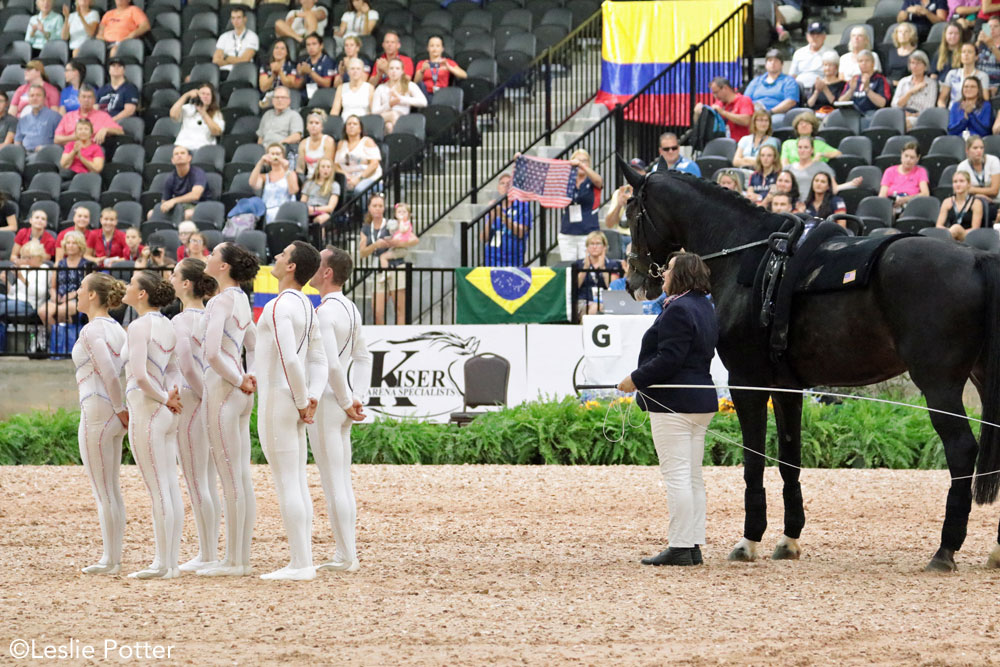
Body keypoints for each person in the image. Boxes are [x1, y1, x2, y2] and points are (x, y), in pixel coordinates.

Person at [617, 252, 719, 567]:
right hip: (699, 400)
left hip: (674, 401)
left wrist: (635, 379)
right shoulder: (704, 305)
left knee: (677, 476)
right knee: (691, 477)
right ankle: (692, 544)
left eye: (669, 269)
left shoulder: (679, 309)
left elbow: (669, 359)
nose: (663, 273)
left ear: (683, 275)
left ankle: (680, 546)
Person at [256, 241, 326, 581]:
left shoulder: (278, 306)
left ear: (292, 267)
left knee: (288, 483)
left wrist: (302, 401)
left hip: (278, 402)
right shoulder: (309, 307)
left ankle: (300, 563)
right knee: (296, 480)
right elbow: (318, 359)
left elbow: (290, 357)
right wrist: (311, 394)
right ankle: (304, 559)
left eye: (282, 254)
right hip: (294, 400)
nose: (277, 257)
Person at [307, 246, 370, 572]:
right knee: (340, 480)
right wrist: (357, 396)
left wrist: (347, 401)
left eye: (317, 264)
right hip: (342, 401)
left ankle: (347, 555)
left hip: (330, 402)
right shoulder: (351, 308)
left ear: (327, 272)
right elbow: (364, 357)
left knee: (334, 482)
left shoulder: (324, 312)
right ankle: (346, 552)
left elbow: (330, 364)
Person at [197, 242, 258, 578]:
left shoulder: (222, 300)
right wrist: (251, 376)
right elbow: (253, 342)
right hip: (238, 389)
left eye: (213, 253)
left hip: (223, 388)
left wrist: (238, 378)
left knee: (230, 477)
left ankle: (234, 561)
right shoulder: (241, 299)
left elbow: (210, 353)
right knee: (241, 476)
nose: (207, 256)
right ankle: (240, 557)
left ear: (224, 266)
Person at [122, 270, 183, 579]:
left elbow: (140, 375)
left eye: (132, 284)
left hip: (148, 408)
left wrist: (162, 398)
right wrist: (172, 396)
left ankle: (163, 563)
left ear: (142, 294)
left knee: (158, 489)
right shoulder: (168, 325)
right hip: (165, 410)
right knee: (169, 486)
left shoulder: (138, 326)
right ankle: (169, 562)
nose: (127, 287)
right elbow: (174, 370)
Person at [167, 258, 221, 572]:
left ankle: (207, 552)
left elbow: (187, 366)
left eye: (175, 274)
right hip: (208, 396)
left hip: (193, 398)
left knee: (196, 479)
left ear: (187, 284)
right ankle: (209, 549)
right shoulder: (210, 316)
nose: (171, 279)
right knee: (208, 479)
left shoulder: (182, 321)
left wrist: (204, 396)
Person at [72, 272, 128, 575]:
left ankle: (110, 558)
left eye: (82, 289)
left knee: (103, 489)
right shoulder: (116, 328)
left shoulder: (93, 330)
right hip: (108, 411)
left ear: (93, 295)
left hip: (97, 411)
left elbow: (108, 372)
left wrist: (120, 408)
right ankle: (113, 555)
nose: (78, 293)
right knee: (111, 488)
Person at [359, 194, 413, 324]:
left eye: (380, 206)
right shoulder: (366, 228)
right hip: (379, 270)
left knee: (400, 310)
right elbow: (362, 253)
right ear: (369, 208)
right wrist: (375, 245)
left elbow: (404, 241)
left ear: (384, 208)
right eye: (374, 206)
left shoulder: (391, 224)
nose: (377, 209)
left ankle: (400, 339)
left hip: (396, 266)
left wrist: (390, 243)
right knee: (377, 311)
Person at [556, 149, 604, 262]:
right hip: (568, 232)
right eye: (577, 160)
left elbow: (599, 181)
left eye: (584, 161)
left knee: (585, 269)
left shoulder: (591, 180)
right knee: (568, 269)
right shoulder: (567, 180)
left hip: (587, 232)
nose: (580, 163)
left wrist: (582, 166)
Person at [481, 172, 533, 266]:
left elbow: (521, 232)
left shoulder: (522, 206)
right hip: (492, 259)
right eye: (502, 183)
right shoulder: (495, 206)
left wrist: (502, 216)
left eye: (509, 184)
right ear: (498, 188)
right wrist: (492, 216)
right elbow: (484, 238)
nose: (505, 186)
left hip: (512, 260)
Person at [43, 229, 93, 326]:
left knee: (62, 311)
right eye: (68, 243)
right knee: (43, 311)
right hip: (59, 298)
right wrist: (54, 295)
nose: (70, 245)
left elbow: (88, 288)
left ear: (80, 245)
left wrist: (73, 295)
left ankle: (66, 338)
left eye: (74, 243)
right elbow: (53, 287)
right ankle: (55, 336)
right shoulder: (59, 264)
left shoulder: (86, 265)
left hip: (77, 298)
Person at [155, 145, 213, 222]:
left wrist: (174, 201)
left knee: (187, 215)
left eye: (182, 153)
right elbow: (165, 200)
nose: (179, 155)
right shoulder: (170, 178)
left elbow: (195, 195)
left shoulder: (198, 173)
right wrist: (166, 205)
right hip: (181, 207)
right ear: (172, 160)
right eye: (176, 154)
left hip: (200, 206)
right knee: (151, 213)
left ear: (189, 158)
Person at [54, 84, 123, 146]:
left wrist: (106, 129)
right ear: (78, 99)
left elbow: (120, 131)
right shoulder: (68, 117)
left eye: (89, 97)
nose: (86, 100)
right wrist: (74, 137)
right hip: (71, 151)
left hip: (93, 153)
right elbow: (56, 139)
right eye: (83, 97)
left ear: (94, 100)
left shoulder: (103, 116)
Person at [574, 230, 622, 317]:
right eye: (591, 244)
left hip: (605, 302)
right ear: (587, 247)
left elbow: (614, 288)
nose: (594, 247)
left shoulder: (612, 264)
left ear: (604, 247)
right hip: (583, 301)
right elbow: (574, 287)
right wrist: (585, 268)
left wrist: (603, 268)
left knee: (598, 307)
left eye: (598, 243)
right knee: (593, 308)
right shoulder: (579, 264)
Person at [371, 58, 428, 133]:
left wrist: (400, 99)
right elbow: (374, 111)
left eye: (397, 68)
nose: (394, 71)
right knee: (392, 115)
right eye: (391, 68)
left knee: (389, 126)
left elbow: (424, 102)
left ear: (402, 71)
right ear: (387, 71)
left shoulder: (409, 85)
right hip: (384, 117)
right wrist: (389, 105)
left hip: (403, 118)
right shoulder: (381, 88)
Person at [743, 49, 800, 122]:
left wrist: (770, 112)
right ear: (766, 64)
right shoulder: (756, 81)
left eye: (776, 61)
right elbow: (745, 99)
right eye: (770, 60)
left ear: (782, 64)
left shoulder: (789, 81)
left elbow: (790, 102)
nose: (773, 63)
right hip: (754, 113)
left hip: (777, 114)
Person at [839, 50, 891, 129]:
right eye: (861, 61)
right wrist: (851, 90)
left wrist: (867, 89)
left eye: (867, 60)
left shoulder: (880, 80)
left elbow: (882, 103)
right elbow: (840, 102)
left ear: (873, 63)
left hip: (872, 113)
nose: (864, 63)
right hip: (853, 113)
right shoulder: (854, 80)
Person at [251, 143, 300, 222]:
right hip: (267, 213)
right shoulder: (265, 176)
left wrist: (286, 169)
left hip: (285, 212)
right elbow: (253, 184)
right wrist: (260, 163)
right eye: (272, 154)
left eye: (278, 154)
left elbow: (293, 190)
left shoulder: (290, 173)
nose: (275, 156)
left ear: (283, 156)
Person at [693, 76, 753, 141]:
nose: (715, 96)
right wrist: (698, 113)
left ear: (725, 88)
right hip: (722, 143)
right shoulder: (719, 103)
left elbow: (746, 121)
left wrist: (723, 112)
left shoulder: (743, 100)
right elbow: (702, 125)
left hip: (740, 143)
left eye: (716, 92)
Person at [170, 83, 225, 153]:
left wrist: (203, 113)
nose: (205, 96)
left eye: (208, 94)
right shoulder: (188, 108)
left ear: (212, 98)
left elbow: (217, 132)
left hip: (203, 150)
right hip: (182, 147)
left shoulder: (216, 114)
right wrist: (186, 95)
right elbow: (173, 115)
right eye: (203, 94)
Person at [334, 114, 382, 192]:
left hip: (368, 178)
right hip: (347, 179)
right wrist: (345, 174)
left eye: (355, 124)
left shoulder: (367, 141)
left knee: (359, 190)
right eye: (349, 124)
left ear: (360, 129)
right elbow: (336, 165)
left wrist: (359, 179)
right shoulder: (341, 144)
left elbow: (374, 164)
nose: (351, 126)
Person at [892, 50, 939, 129]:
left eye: (918, 63)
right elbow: (895, 104)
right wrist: (910, 92)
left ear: (925, 66)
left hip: (919, 117)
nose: (915, 66)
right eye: (912, 63)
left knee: (904, 123)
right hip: (901, 114)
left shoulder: (931, 84)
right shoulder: (903, 82)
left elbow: (928, 108)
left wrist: (912, 115)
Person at [879, 140, 931, 212]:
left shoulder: (921, 171)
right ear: (901, 154)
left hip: (911, 207)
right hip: (891, 207)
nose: (908, 160)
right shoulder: (889, 171)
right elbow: (882, 195)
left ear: (918, 158)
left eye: (912, 157)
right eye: (906, 156)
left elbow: (925, 194)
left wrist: (905, 199)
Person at [957, 135, 1000, 217]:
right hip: (973, 202)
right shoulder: (962, 167)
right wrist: (979, 195)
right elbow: (962, 191)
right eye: (975, 148)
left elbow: (994, 191)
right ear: (967, 150)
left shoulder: (993, 161)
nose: (979, 151)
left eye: (981, 148)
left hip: (997, 202)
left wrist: (972, 189)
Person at [300, 157, 340, 244]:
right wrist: (307, 209)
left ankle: (319, 245)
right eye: (323, 166)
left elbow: (330, 207)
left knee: (321, 220)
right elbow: (302, 202)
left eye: (328, 167)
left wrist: (314, 210)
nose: (326, 169)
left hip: (323, 211)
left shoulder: (334, 185)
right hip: (308, 210)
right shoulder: (309, 184)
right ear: (318, 169)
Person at [936, 169, 984, 239]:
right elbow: (938, 225)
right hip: (950, 234)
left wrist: (959, 232)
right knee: (955, 229)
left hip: (968, 237)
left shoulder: (976, 203)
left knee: (957, 228)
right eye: (955, 182)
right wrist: (951, 232)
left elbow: (975, 229)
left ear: (968, 184)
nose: (958, 184)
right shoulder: (947, 202)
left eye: (961, 181)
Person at [14, 85, 61, 153]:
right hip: (24, 154)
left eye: (38, 95)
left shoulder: (55, 117)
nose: (34, 98)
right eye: (32, 96)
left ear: (44, 98)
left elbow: (60, 142)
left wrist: (46, 148)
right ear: (29, 99)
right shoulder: (23, 120)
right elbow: (17, 141)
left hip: (45, 154)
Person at [603, 157, 644, 233]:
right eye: (631, 170)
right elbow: (609, 224)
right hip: (621, 236)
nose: (634, 173)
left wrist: (634, 202)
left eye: (638, 170)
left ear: (644, 173)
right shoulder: (620, 192)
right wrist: (619, 205)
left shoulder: (648, 191)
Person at [213, 6, 259, 73]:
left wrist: (225, 58)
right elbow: (216, 60)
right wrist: (235, 60)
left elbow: (245, 60)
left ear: (245, 19)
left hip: (243, 71)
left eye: (238, 17)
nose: (236, 21)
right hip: (224, 71)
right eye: (233, 18)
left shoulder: (252, 36)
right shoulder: (224, 36)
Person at [790, 21, 835, 90]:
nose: (815, 37)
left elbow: (833, 76)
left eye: (818, 34)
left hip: (821, 89)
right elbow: (792, 75)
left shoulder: (831, 53)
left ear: (824, 36)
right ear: (807, 36)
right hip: (799, 89)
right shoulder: (799, 53)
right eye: (812, 34)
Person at [259, 41, 301, 108]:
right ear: (272, 51)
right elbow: (263, 88)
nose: (279, 51)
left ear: (287, 52)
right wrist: (273, 76)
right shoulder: (266, 66)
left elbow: (289, 85)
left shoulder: (291, 66)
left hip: (284, 97)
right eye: (276, 48)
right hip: (269, 97)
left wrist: (280, 72)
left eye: (282, 49)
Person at [96, 58, 139, 123]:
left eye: (119, 66)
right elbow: (95, 107)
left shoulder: (130, 88)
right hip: (101, 122)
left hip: (120, 122)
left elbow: (129, 110)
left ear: (124, 70)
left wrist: (111, 121)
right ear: (109, 70)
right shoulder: (102, 89)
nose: (116, 68)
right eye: (113, 66)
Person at [296, 33, 335, 105]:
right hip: (305, 96)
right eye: (308, 45)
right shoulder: (304, 61)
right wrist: (300, 74)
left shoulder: (328, 61)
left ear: (321, 46)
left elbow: (327, 84)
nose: (311, 47)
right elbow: (298, 86)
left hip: (321, 97)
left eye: (314, 44)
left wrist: (310, 72)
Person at [296, 110, 335, 180]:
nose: (313, 125)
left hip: (324, 179)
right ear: (307, 126)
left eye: (317, 123)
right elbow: (300, 168)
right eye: (311, 123)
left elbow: (328, 166)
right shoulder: (303, 143)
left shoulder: (328, 141)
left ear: (322, 126)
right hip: (308, 179)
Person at [886, 22, 921, 87]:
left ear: (912, 34)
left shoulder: (917, 53)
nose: (903, 34)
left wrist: (899, 84)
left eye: (906, 32)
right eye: (900, 32)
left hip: (908, 86)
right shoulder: (891, 52)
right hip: (890, 86)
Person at [977, 16, 1000, 93]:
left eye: (996, 26)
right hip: (978, 82)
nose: (992, 28)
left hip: (996, 83)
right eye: (989, 26)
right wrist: (978, 42)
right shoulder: (982, 43)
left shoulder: (989, 43)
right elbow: (971, 58)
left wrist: (991, 44)